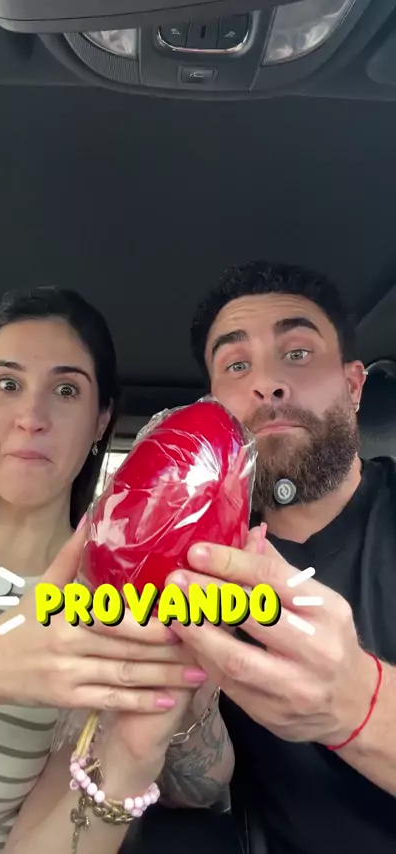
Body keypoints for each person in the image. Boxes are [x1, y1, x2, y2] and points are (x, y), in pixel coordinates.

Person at [0, 286, 232, 854]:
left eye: (65, 390)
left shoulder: (104, 611)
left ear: (100, 421)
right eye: (7, 384)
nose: (31, 417)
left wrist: (129, 759)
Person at [155, 260, 396, 854]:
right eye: (237, 366)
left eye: (297, 354)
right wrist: (186, 691)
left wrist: (359, 705)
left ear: (354, 386)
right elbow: (196, 792)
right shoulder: (194, 564)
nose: (266, 383)